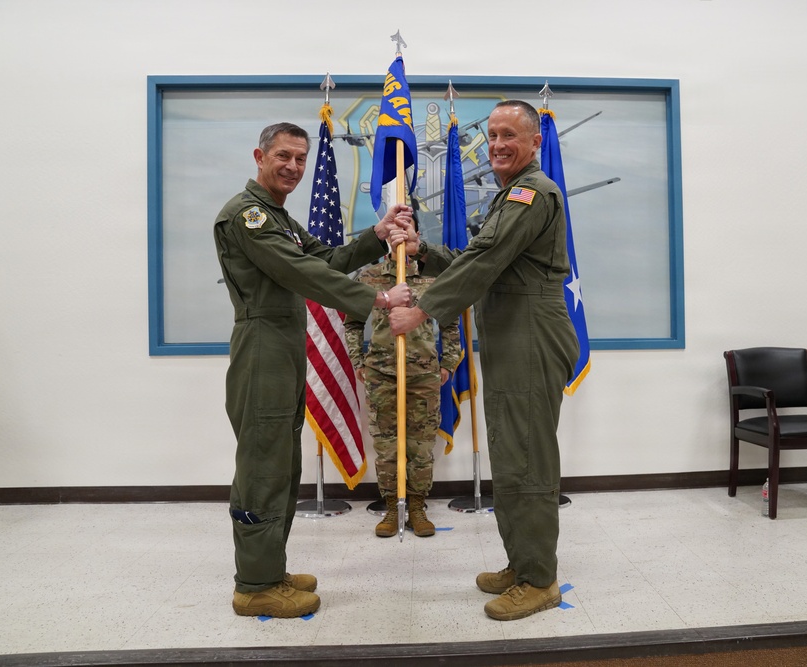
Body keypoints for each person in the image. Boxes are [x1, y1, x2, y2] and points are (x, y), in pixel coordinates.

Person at [214, 122, 416, 619]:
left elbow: (325, 257)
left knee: (283, 464)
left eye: (301, 159)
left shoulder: (278, 217)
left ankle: (269, 568)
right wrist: (378, 298)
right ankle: (255, 585)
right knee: (263, 466)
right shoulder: (248, 216)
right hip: (262, 347)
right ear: (259, 155)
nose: (293, 167)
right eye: (283, 156)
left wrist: (378, 234)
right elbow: (302, 272)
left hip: (282, 347)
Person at [389, 101, 579, 621]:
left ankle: (539, 579)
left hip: (530, 336)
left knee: (527, 458)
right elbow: (482, 260)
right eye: (492, 135)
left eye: (509, 136)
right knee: (512, 454)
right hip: (512, 335)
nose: (496, 144)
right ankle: (522, 564)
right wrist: (421, 249)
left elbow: (485, 261)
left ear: (535, 141)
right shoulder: (508, 197)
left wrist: (423, 309)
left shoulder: (531, 192)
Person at [344, 217, 461, 539]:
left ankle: (418, 507)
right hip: (382, 374)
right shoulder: (369, 277)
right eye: (393, 231)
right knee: (386, 444)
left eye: (406, 231)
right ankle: (392, 507)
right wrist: (359, 362)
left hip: (423, 375)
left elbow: (451, 324)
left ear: (416, 236)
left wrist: (448, 364)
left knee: (421, 445)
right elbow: (352, 323)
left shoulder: (434, 276)